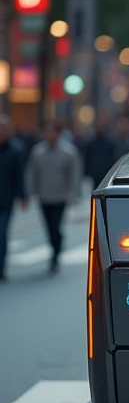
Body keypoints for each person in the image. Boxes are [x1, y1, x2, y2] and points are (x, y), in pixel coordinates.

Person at [25, 120, 82, 272]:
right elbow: (32, 173)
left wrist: (73, 194)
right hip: (44, 195)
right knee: (49, 226)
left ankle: (56, 251)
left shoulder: (69, 152)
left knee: (56, 225)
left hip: (60, 196)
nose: (49, 135)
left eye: (52, 132)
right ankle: (54, 245)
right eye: (46, 131)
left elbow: (75, 174)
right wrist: (29, 192)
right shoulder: (38, 151)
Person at [0, 115, 27, 281]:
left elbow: (19, 176)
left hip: (5, 199)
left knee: (1, 233)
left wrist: (22, 196)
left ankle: (1, 266)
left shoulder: (16, 150)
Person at [83, 122, 117, 190]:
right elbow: (88, 160)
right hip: (95, 175)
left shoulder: (109, 144)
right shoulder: (91, 145)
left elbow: (112, 158)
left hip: (106, 175)